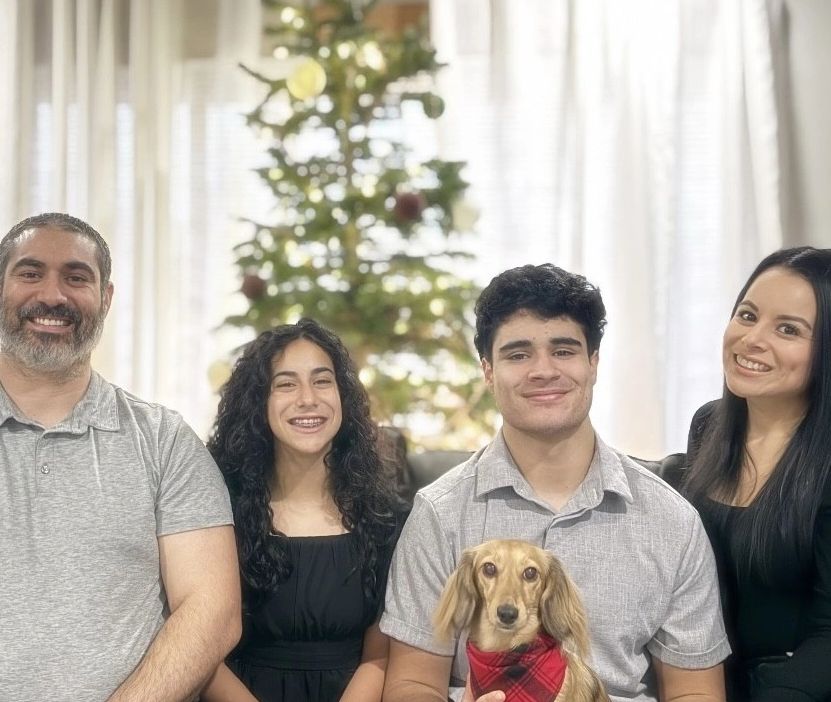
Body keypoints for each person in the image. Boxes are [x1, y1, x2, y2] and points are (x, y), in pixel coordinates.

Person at [380, 263, 730, 702]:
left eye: (563, 351)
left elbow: (695, 693)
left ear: (593, 363)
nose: (543, 370)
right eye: (518, 354)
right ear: (488, 370)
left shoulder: (672, 521)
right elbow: (412, 684)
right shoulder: (439, 513)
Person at [0, 213, 240, 701]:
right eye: (30, 272)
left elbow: (213, 611)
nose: (53, 295)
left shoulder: (165, 441)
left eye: (76, 277)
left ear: (105, 298)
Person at [203, 318, 404, 702]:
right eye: (286, 384)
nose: (308, 398)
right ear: (258, 402)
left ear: (343, 395)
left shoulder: (385, 518)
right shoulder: (217, 511)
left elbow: (379, 656)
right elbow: (199, 645)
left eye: (322, 381)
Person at [683, 247, 831, 701]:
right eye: (747, 316)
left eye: (788, 329)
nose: (752, 339)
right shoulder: (708, 426)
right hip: (700, 681)